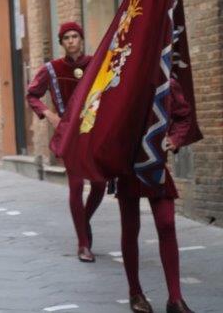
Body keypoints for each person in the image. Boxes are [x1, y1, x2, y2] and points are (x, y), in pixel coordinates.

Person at [26, 22, 106, 262]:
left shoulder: (96, 63)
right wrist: (49, 115)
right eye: (67, 38)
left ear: (81, 39)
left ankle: (84, 221)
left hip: (93, 132)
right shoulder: (52, 69)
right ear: (62, 43)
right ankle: (83, 244)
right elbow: (32, 94)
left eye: (75, 36)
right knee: (76, 185)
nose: (71, 41)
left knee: (100, 183)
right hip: (69, 134)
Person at [117, 79, 196, 313]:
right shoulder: (118, 79)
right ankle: (135, 294)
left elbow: (184, 116)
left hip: (156, 163)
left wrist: (174, 139)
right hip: (126, 164)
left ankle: (175, 299)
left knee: (167, 223)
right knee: (130, 228)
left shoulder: (167, 81)